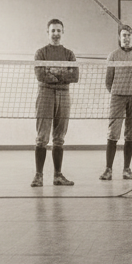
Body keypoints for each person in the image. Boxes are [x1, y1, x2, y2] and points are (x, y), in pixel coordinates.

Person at [32, 19, 80, 187]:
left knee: (59, 138)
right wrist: (62, 73)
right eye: (53, 30)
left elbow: (74, 76)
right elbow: (40, 75)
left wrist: (53, 72)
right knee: (42, 138)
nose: (56, 33)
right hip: (45, 94)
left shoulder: (69, 54)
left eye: (59, 30)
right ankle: (38, 176)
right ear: (48, 32)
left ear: (62, 32)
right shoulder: (41, 53)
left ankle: (58, 175)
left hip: (64, 95)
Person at [100, 24, 132, 181]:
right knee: (113, 133)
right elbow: (108, 81)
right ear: (119, 37)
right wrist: (117, 92)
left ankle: (126, 170)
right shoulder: (113, 56)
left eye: (129, 35)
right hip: (117, 97)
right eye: (124, 35)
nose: (126, 38)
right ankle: (108, 170)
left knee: (131, 134)